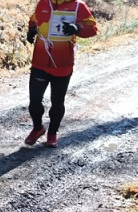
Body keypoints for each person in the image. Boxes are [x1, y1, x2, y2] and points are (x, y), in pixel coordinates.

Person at [24, 0, 97, 147]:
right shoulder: (43, 3)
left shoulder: (78, 6)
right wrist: (31, 30)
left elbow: (93, 29)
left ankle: (52, 133)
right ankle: (38, 128)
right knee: (34, 101)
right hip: (40, 61)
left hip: (63, 64)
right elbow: (34, 20)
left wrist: (77, 28)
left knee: (57, 102)